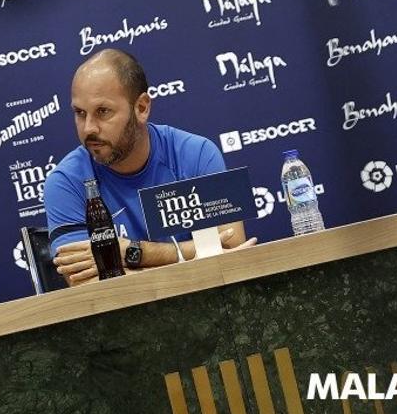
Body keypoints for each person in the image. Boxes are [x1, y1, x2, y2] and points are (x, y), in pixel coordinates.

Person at [44, 49, 255, 286]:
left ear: (142, 108)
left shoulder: (196, 155)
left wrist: (132, 253)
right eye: (80, 113)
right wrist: (187, 258)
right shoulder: (65, 182)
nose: (89, 128)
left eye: (103, 111)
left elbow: (231, 254)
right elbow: (88, 285)